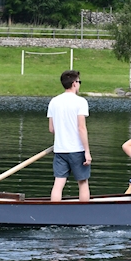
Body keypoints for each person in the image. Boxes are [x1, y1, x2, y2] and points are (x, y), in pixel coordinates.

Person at [47, 70, 91, 202]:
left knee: (58, 183)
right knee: (83, 183)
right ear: (74, 83)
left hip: (60, 149)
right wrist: (87, 152)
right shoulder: (80, 101)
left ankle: (54, 213)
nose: (79, 85)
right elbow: (81, 128)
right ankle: (84, 215)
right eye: (79, 82)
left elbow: (51, 129)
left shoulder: (54, 101)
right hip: (77, 149)